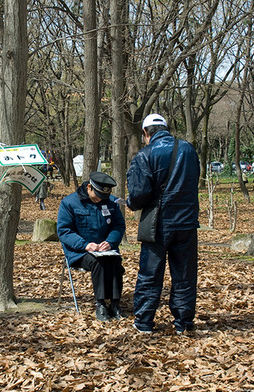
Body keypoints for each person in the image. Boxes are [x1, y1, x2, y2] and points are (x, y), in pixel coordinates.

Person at [126, 113, 200, 334]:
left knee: (150, 274)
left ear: (146, 133)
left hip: (158, 224)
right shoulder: (188, 150)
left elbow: (139, 194)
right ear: (166, 129)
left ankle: (144, 322)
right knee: (185, 275)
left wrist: (130, 202)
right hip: (187, 222)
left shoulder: (145, 155)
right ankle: (183, 323)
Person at [57, 172, 126, 322]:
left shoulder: (111, 202)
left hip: (106, 249)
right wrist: (86, 245)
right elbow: (64, 231)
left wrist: (110, 242)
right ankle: (100, 303)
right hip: (79, 252)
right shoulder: (69, 203)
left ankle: (115, 303)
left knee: (115, 262)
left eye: (104, 196)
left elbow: (118, 225)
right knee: (98, 263)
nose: (100, 199)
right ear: (89, 187)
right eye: (98, 195)